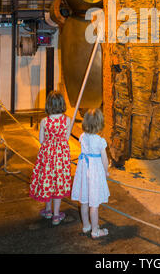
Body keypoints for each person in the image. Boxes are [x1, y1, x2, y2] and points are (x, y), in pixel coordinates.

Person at [29, 90, 71, 226]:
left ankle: (48, 211)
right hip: (61, 157)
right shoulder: (67, 120)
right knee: (58, 183)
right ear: (62, 103)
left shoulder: (44, 121)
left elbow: (41, 140)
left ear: (48, 105)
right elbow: (66, 138)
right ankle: (57, 215)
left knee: (48, 180)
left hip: (47, 156)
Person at [71, 108, 110, 239]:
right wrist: (106, 171)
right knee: (94, 204)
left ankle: (86, 225)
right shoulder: (100, 141)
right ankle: (95, 231)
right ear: (100, 124)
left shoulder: (82, 136)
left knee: (84, 201)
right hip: (94, 174)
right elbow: (104, 160)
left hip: (83, 172)